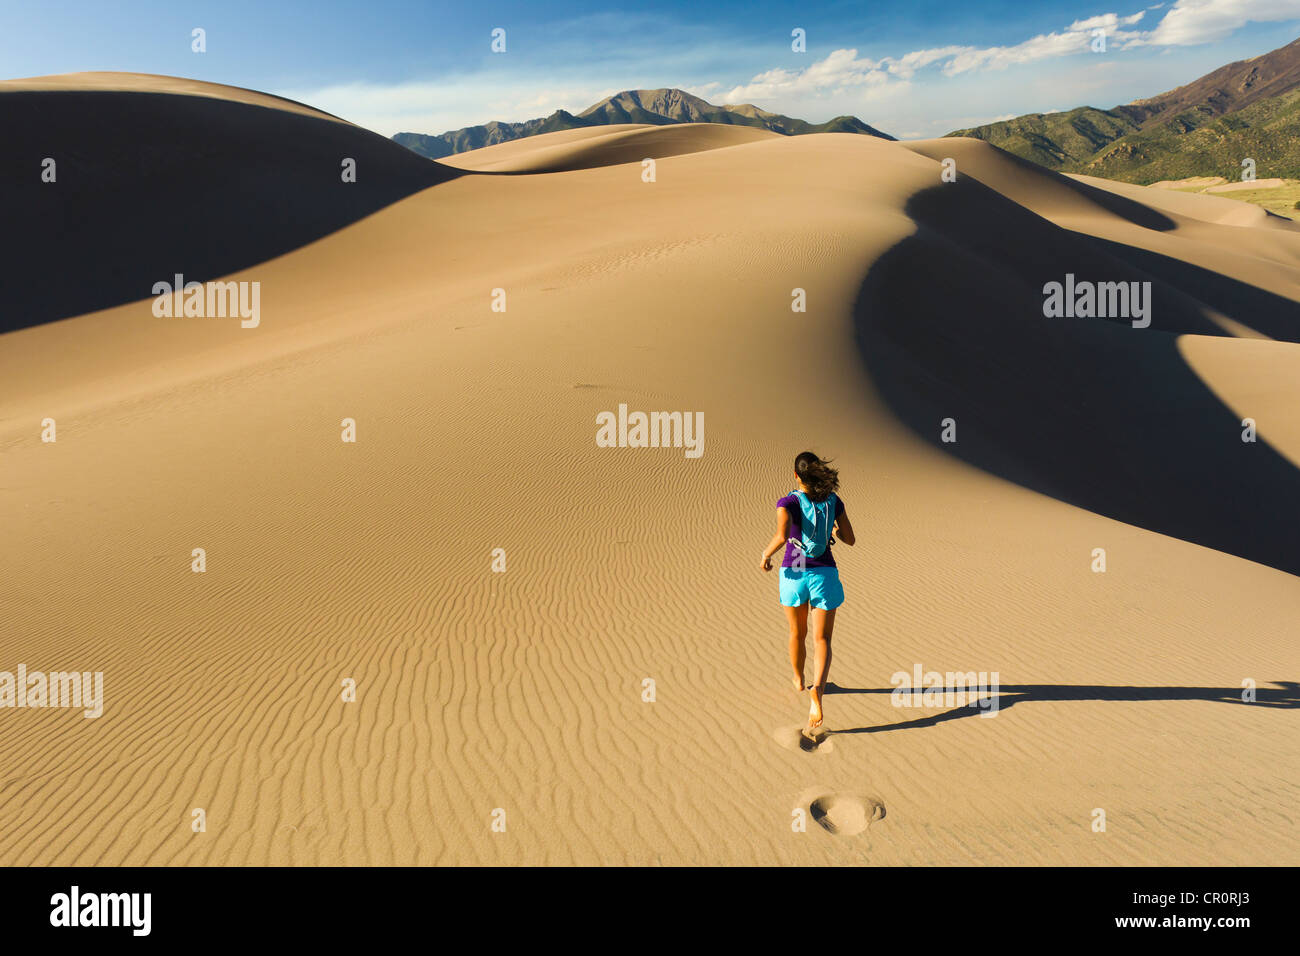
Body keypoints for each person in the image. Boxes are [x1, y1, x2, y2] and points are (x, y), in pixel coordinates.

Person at [759, 451, 855, 729]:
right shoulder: (834, 501)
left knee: (796, 633)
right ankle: (819, 690)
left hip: (796, 569)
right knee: (822, 639)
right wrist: (834, 531)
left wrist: (765, 556)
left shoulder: (787, 501)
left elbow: (782, 535)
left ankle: (799, 679)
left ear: (796, 475)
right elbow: (850, 539)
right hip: (824, 570)